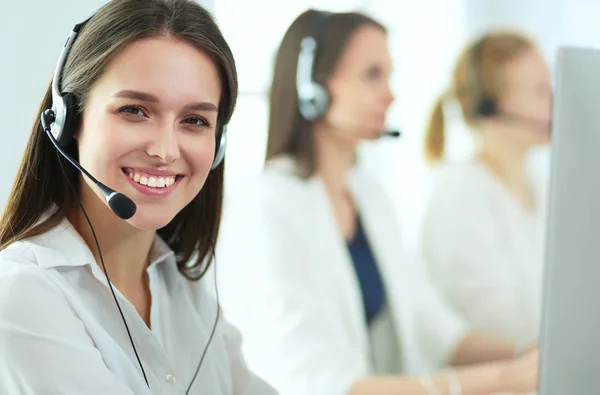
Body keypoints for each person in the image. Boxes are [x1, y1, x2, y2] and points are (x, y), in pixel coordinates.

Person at [216, 9, 539, 395]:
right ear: (312, 87)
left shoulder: (368, 195)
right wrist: (499, 381)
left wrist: (533, 356)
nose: (390, 94)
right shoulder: (267, 208)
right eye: (372, 75)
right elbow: (317, 382)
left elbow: (431, 324)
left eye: (389, 76)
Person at [0, 1, 276, 394]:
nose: (164, 150)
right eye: (134, 110)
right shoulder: (21, 295)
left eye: (195, 120)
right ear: (68, 120)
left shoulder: (182, 288)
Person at [420, 31, 552, 352]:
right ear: (491, 107)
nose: (555, 102)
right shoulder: (460, 193)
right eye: (541, 92)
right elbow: (492, 318)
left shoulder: (541, 183)